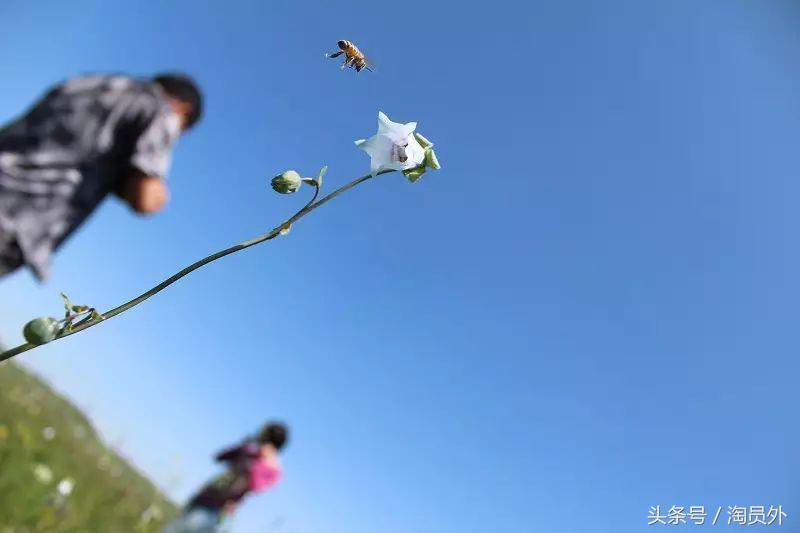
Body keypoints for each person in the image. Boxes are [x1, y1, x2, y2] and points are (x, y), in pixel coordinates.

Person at [0, 72, 203, 281]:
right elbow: (144, 197)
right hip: (15, 220)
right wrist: (159, 198)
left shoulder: (89, 84)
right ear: (183, 108)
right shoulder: (161, 110)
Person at [165, 422, 288, 533]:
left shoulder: (273, 469)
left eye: (263, 437)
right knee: (178, 526)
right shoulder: (248, 450)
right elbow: (219, 457)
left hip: (219, 509)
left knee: (183, 528)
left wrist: (257, 459)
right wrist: (242, 446)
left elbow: (254, 486)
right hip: (205, 494)